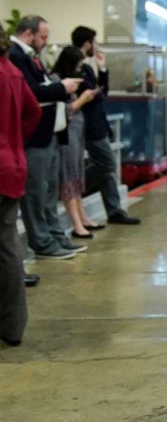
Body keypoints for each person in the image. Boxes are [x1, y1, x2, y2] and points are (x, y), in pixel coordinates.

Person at [8, 15, 85, 259]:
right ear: (28, 34)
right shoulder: (16, 58)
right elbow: (30, 94)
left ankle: (54, 235)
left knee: (49, 190)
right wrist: (61, 88)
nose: (45, 42)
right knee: (36, 192)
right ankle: (41, 241)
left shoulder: (31, 58)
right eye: (43, 37)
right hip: (35, 137)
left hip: (49, 135)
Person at [71, 26, 140, 225]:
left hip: (97, 123)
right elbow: (95, 96)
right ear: (86, 43)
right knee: (107, 163)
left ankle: (114, 210)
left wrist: (102, 70)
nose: (96, 46)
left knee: (107, 170)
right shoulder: (78, 69)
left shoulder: (87, 68)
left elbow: (101, 93)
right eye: (94, 42)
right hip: (90, 126)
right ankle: (74, 186)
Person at [0, 31, 42, 345]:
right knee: (8, 246)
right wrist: (15, 142)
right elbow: (33, 112)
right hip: (12, 166)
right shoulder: (12, 71)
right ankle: (13, 325)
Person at [52, 46, 98, 239]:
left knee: (77, 172)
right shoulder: (56, 81)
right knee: (68, 174)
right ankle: (76, 224)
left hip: (77, 134)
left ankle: (82, 217)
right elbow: (63, 111)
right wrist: (82, 100)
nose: (80, 69)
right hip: (66, 136)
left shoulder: (74, 81)